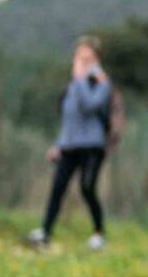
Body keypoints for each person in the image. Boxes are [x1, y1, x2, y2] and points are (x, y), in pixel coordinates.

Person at [24, 36, 112, 251]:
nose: (82, 62)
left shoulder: (102, 83)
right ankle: (45, 233)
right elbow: (69, 118)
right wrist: (58, 145)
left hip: (92, 146)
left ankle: (99, 233)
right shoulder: (72, 86)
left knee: (87, 187)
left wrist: (81, 80)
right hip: (69, 146)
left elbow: (90, 105)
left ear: (96, 60)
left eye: (87, 58)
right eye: (79, 57)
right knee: (57, 188)